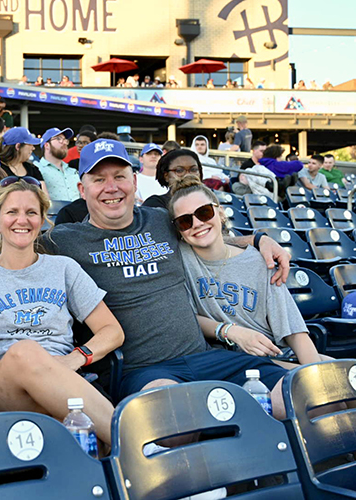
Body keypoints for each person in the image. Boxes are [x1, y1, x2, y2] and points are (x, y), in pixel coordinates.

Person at [46, 138, 293, 421]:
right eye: (99, 179)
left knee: (296, 394)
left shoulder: (161, 219)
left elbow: (206, 235)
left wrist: (259, 239)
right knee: (176, 420)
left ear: (135, 181)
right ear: (82, 189)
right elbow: (10, 254)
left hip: (207, 356)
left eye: (120, 177)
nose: (111, 187)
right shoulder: (64, 239)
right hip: (143, 371)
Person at [0, 177, 123, 448]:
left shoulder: (63, 268)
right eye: (12, 212)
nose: (22, 220)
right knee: (25, 352)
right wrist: (25, 369)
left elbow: (112, 331)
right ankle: (134, 442)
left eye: (31, 212)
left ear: (43, 219)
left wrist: (72, 361)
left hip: (67, 381)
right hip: (5, 390)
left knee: (84, 445)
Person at [169, 175, 325, 368]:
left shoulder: (259, 260)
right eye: (185, 221)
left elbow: (293, 331)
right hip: (236, 361)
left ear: (221, 213)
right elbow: (185, 317)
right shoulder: (179, 259)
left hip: (275, 353)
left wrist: (317, 374)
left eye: (204, 212)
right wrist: (229, 331)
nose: (197, 224)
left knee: (343, 377)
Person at [0, 127, 48, 197]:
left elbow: (45, 197)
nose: (33, 148)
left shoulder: (33, 169)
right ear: (18, 146)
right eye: (30, 144)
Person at [36, 127, 79, 202]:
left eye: (65, 139)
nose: (64, 142)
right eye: (58, 139)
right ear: (47, 145)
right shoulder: (37, 169)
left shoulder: (73, 170)